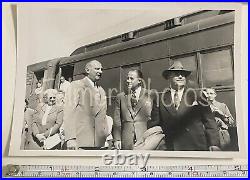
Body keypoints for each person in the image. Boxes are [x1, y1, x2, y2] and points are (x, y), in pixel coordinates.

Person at [149, 61, 220, 151]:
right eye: (176, 74)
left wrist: (214, 143)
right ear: (169, 77)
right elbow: (155, 125)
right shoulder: (160, 98)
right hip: (171, 148)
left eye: (183, 74)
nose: (180, 76)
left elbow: (209, 121)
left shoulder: (197, 95)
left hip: (196, 147)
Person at [63, 60, 109, 150]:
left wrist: (106, 135)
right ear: (87, 70)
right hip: (80, 142)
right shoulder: (76, 85)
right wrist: (71, 138)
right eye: (97, 69)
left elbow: (102, 116)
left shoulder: (101, 90)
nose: (100, 71)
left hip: (99, 143)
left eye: (101, 69)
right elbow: (69, 113)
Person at [113, 69, 154, 150]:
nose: (128, 81)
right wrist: (117, 139)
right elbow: (117, 120)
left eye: (131, 78)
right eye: (127, 78)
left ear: (139, 81)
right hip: (126, 140)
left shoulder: (150, 95)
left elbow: (154, 118)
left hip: (145, 139)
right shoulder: (120, 97)